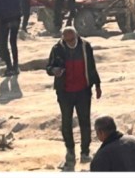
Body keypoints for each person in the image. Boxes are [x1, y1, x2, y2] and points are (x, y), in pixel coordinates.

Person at [46, 26, 103, 166]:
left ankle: (85, 152)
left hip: (83, 91)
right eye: (67, 39)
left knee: (85, 121)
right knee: (66, 122)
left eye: (72, 39)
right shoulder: (57, 48)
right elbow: (48, 68)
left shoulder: (85, 46)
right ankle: (70, 150)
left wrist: (97, 85)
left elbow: (91, 66)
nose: (70, 42)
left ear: (76, 36)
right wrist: (54, 70)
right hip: (64, 92)